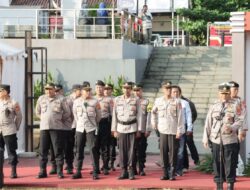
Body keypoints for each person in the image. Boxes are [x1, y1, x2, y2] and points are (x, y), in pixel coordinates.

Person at [203, 83, 242, 190]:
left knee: (230, 163)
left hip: (230, 139)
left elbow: (240, 121)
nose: (224, 96)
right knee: (217, 162)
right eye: (222, 93)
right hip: (215, 139)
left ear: (229, 93)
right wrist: (205, 138)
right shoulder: (214, 106)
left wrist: (232, 127)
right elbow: (208, 122)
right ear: (218, 94)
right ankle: (219, 185)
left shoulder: (236, 105)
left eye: (226, 93)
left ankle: (230, 185)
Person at [36, 83, 71, 179]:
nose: (48, 91)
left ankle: (59, 172)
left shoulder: (61, 99)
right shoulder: (41, 98)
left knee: (58, 150)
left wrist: (59, 119)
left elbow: (67, 112)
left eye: (50, 89)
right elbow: (37, 112)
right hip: (44, 128)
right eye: (46, 89)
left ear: (54, 90)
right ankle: (42, 171)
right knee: (43, 150)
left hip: (57, 128)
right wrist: (43, 118)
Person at [151, 81, 184, 180]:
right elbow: (153, 112)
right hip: (163, 130)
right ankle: (165, 172)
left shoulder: (177, 101)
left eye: (169, 88)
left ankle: (172, 172)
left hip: (173, 130)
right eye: (166, 88)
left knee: (173, 152)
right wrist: (154, 122)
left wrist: (179, 130)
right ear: (163, 89)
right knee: (163, 151)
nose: (168, 90)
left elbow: (180, 118)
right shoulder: (158, 101)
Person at [111, 82, 141, 180]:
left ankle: (131, 170)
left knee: (131, 150)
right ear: (122, 89)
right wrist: (114, 129)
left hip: (132, 127)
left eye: (128, 88)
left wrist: (139, 130)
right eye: (124, 88)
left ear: (131, 89)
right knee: (122, 150)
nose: (126, 90)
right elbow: (114, 116)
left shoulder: (136, 100)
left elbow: (139, 115)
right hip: (120, 128)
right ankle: (123, 171)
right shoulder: (117, 99)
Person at [72, 81, 101, 180]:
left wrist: (93, 124)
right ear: (81, 91)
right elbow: (75, 115)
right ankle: (78, 171)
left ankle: (95, 171)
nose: (88, 92)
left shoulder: (95, 101)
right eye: (86, 90)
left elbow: (98, 116)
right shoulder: (76, 102)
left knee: (93, 149)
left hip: (91, 128)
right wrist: (79, 124)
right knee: (79, 150)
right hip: (80, 128)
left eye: (89, 90)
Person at [0, 84, 22, 178]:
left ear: (6, 91)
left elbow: (19, 116)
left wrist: (15, 127)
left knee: (11, 151)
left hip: (9, 130)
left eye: (1, 91)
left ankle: (13, 171)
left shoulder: (13, 102)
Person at [171, 85, 192, 177]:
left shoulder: (184, 103)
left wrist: (189, 128)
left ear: (180, 93)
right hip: (170, 129)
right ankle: (171, 168)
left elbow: (189, 116)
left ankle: (179, 169)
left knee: (180, 150)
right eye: (173, 92)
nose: (175, 93)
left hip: (181, 129)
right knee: (171, 150)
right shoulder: (167, 103)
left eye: (177, 92)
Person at [95, 80, 113, 175]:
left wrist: (113, 127)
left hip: (105, 124)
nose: (99, 89)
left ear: (103, 88)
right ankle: (96, 167)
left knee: (105, 146)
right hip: (94, 125)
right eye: (97, 87)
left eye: (100, 87)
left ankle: (105, 167)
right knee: (95, 146)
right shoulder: (92, 99)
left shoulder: (108, 100)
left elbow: (112, 114)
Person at [132, 84, 151, 176]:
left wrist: (148, 129)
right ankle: (133, 168)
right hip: (131, 130)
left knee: (142, 150)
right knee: (132, 150)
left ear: (142, 90)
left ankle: (141, 168)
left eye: (138, 90)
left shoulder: (147, 102)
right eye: (135, 90)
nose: (136, 92)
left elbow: (149, 116)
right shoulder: (130, 102)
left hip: (143, 130)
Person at [104, 83, 117, 171]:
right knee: (104, 144)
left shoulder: (115, 99)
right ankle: (105, 163)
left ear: (111, 90)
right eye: (105, 89)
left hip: (112, 123)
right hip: (104, 124)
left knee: (112, 144)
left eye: (108, 89)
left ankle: (111, 162)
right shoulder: (100, 98)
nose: (106, 90)